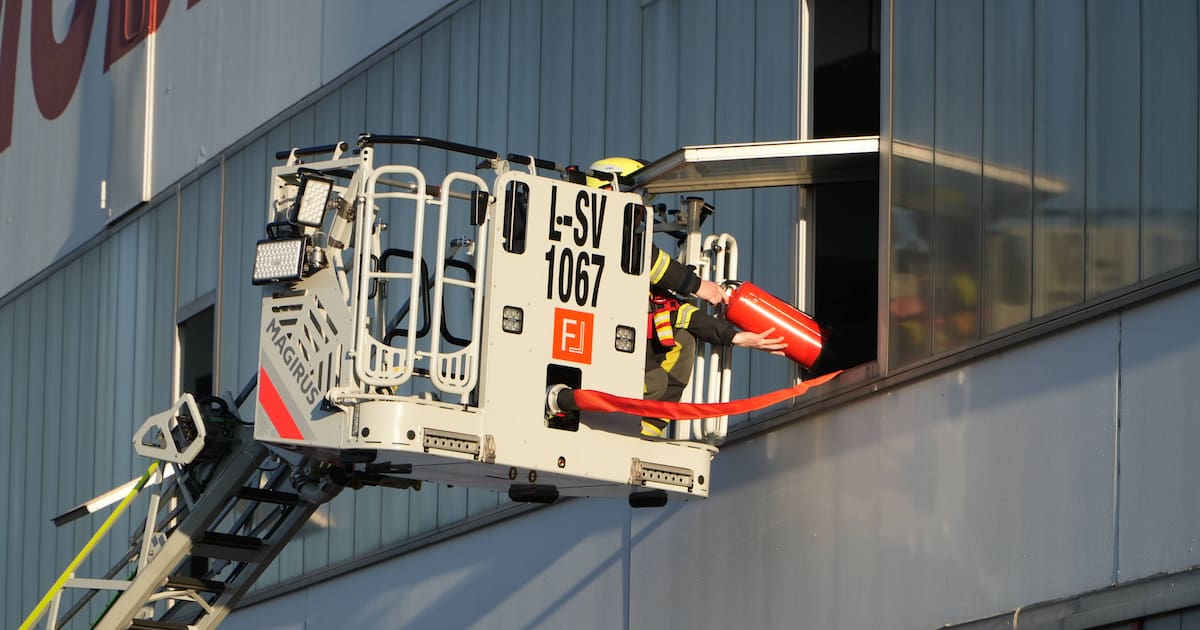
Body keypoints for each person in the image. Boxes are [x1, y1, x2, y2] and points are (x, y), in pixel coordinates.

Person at [587, 158, 788, 437]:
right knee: (654, 381)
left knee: (682, 342)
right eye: (637, 198)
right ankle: (621, 427)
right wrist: (696, 285)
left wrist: (734, 337)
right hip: (597, 349)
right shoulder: (595, 234)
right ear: (609, 191)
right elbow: (650, 260)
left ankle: (647, 431)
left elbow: (677, 312)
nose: (642, 212)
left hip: (622, 346)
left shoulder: (631, 261)